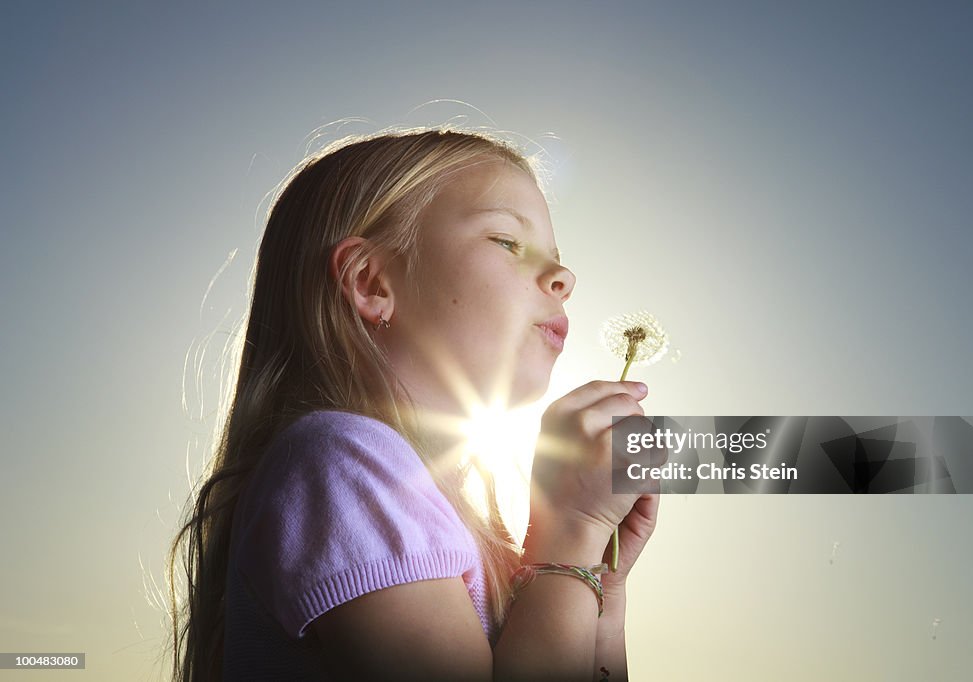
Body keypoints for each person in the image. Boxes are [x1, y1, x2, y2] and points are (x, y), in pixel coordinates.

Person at [167, 127, 660, 681]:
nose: (562, 278)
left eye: (557, 259)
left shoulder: (421, 500)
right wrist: (568, 540)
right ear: (373, 282)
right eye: (508, 243)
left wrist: (598, 582)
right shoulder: (340, 463)